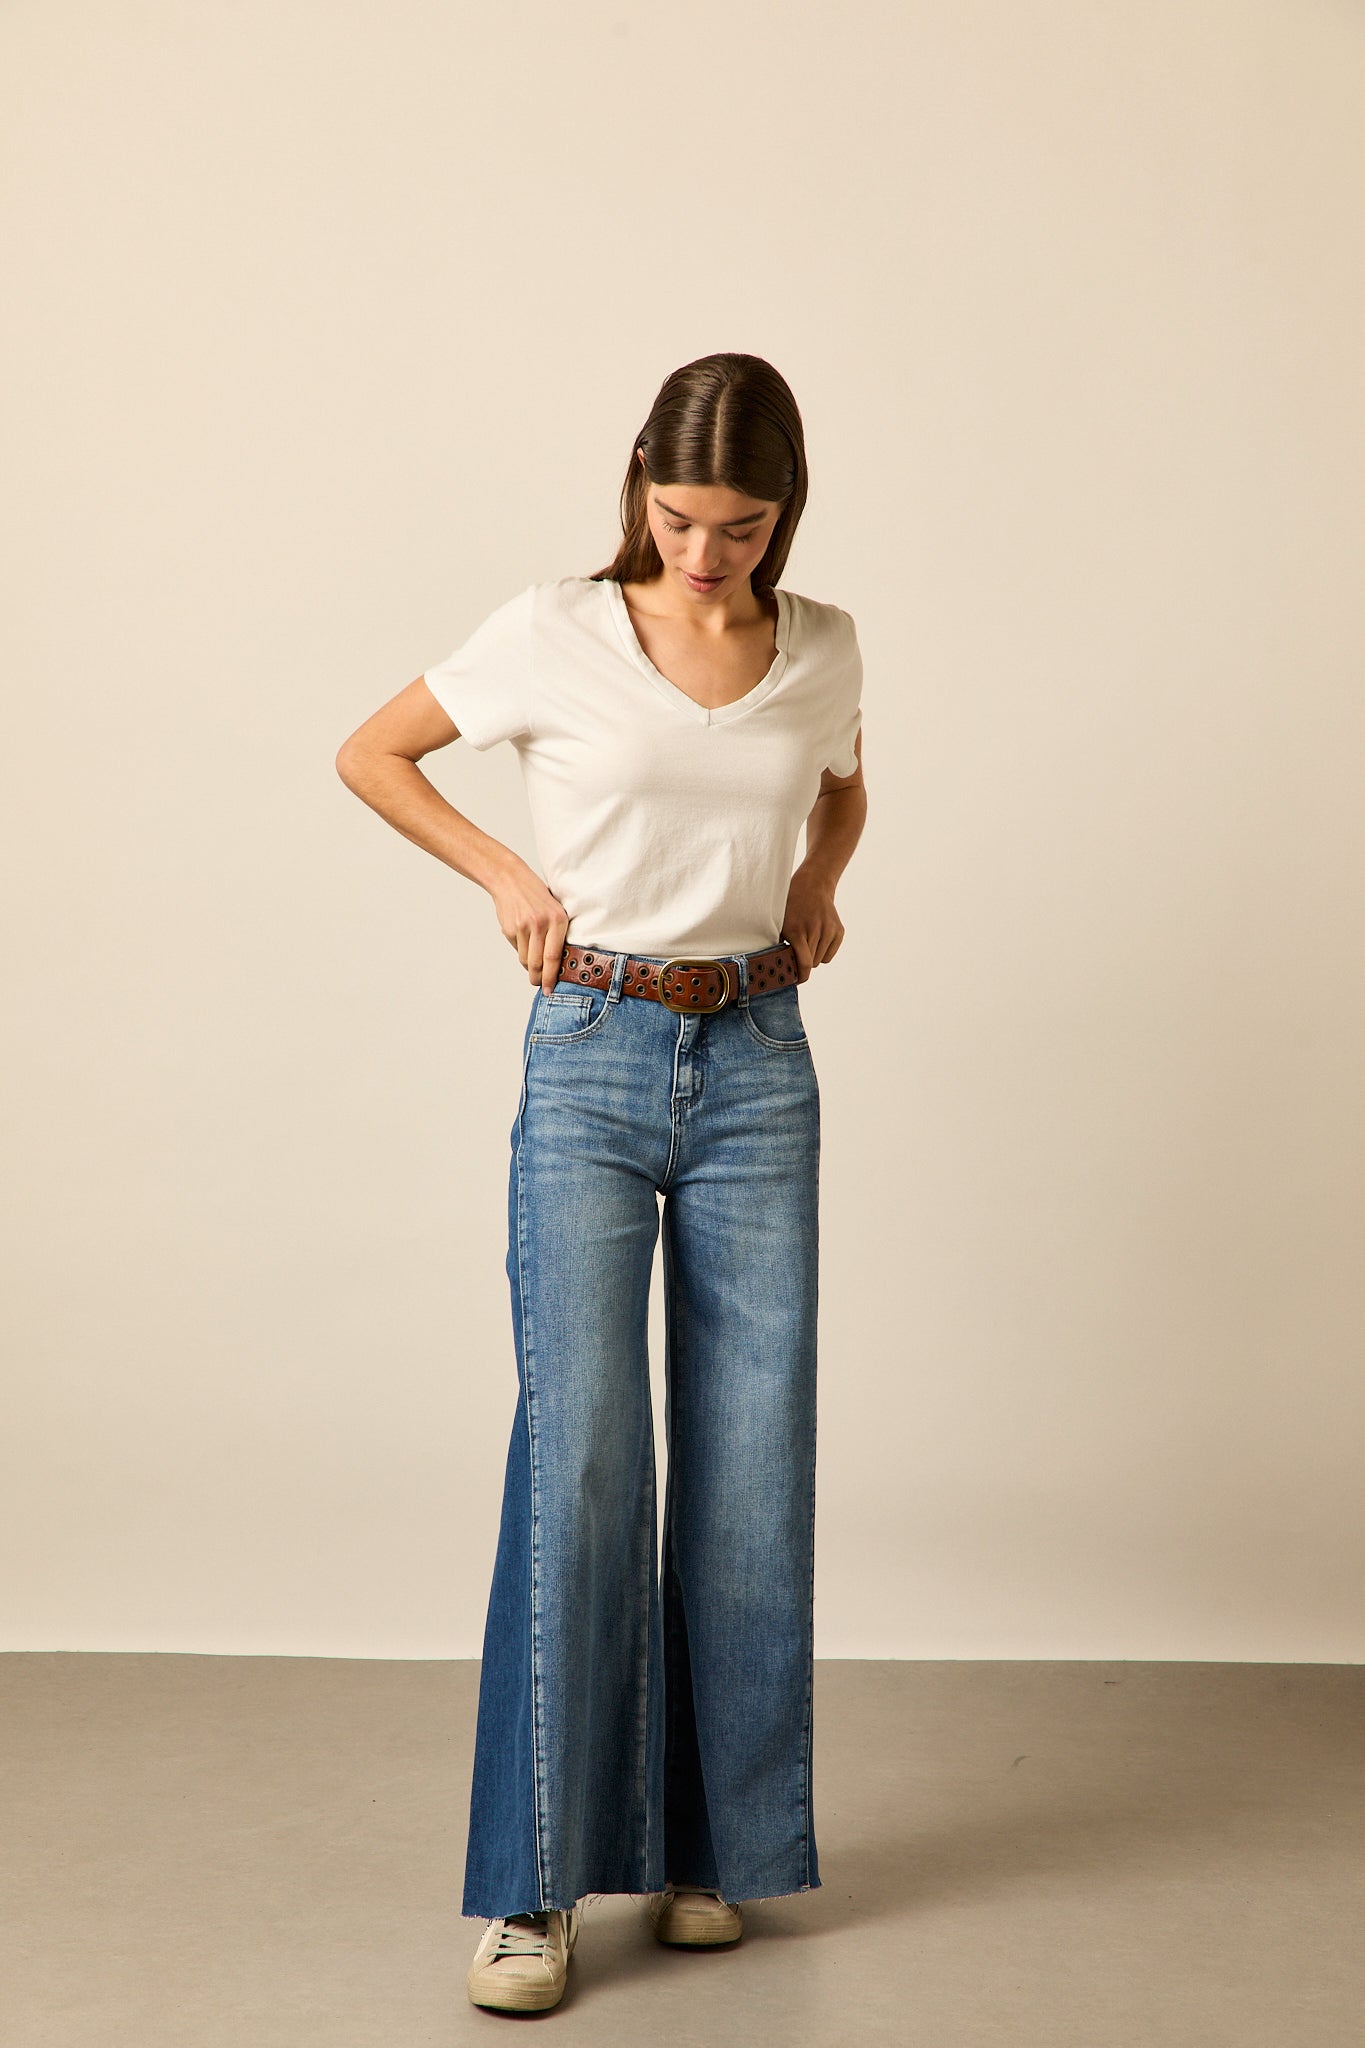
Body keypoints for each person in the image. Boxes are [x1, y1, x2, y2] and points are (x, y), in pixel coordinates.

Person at [334, 351, 867, 2014]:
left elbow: (841, 785)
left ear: (784, 513)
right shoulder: (551, 628)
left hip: (757, 1060)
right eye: (679, 517)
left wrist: (818, 885)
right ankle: (536, 1885)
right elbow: (372, 753)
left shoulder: (822, 644)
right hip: (591, 1049)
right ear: (639, 483)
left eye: (740, 526)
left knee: (748, 1463)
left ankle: (711, 1852)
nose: (705, 554)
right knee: (579, 1457)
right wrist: (505, 875)